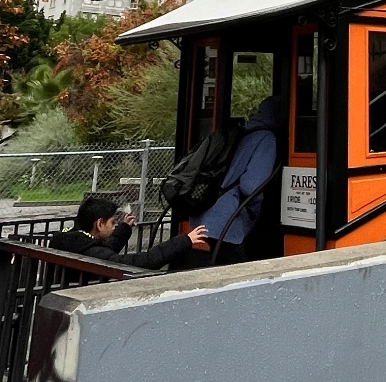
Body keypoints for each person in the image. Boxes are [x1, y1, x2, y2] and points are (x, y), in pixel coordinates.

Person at [201, 95, 282, 261]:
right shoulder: (266, 138)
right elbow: (251, 186)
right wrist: (255, 213)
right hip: (228, 222)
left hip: (203, 214)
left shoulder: (242, 133)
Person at [54, 193, 211, 270]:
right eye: (112, 222)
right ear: (99, 223)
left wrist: (123, 228)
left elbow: (105, 251)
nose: (114, 226)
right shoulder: (91, 252)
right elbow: (143, 261)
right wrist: (184, 240)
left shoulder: (70, 238)